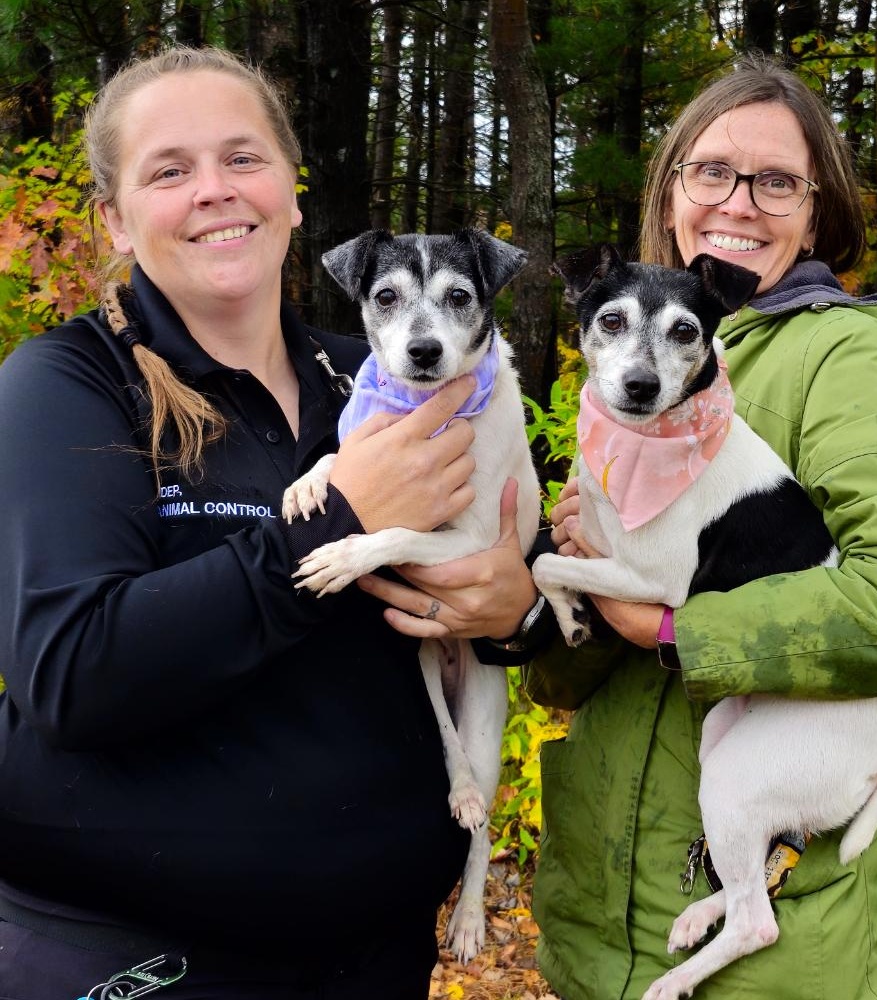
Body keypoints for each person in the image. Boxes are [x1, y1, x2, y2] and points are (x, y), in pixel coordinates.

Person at [0, 45, 538, 999]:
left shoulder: (381, 380)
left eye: (243, 158)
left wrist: (513, 611)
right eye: (169, 170)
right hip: (134, 948)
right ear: (116, 220)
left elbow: (508, 560)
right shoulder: (67, 384)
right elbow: (73, 672)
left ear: (292, 193)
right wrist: (337, 517)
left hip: (375, 948)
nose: (215, 190)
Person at [522, 53, 877, 1000]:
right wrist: (571, 573)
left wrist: (678, 627)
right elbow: (565, 680)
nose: (739, 201)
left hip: (773, 959)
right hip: (605, 926)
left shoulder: (842, 357)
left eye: (777, 180)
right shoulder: (628, 379)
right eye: (712, 172)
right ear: (674, 186)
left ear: (820, 209)